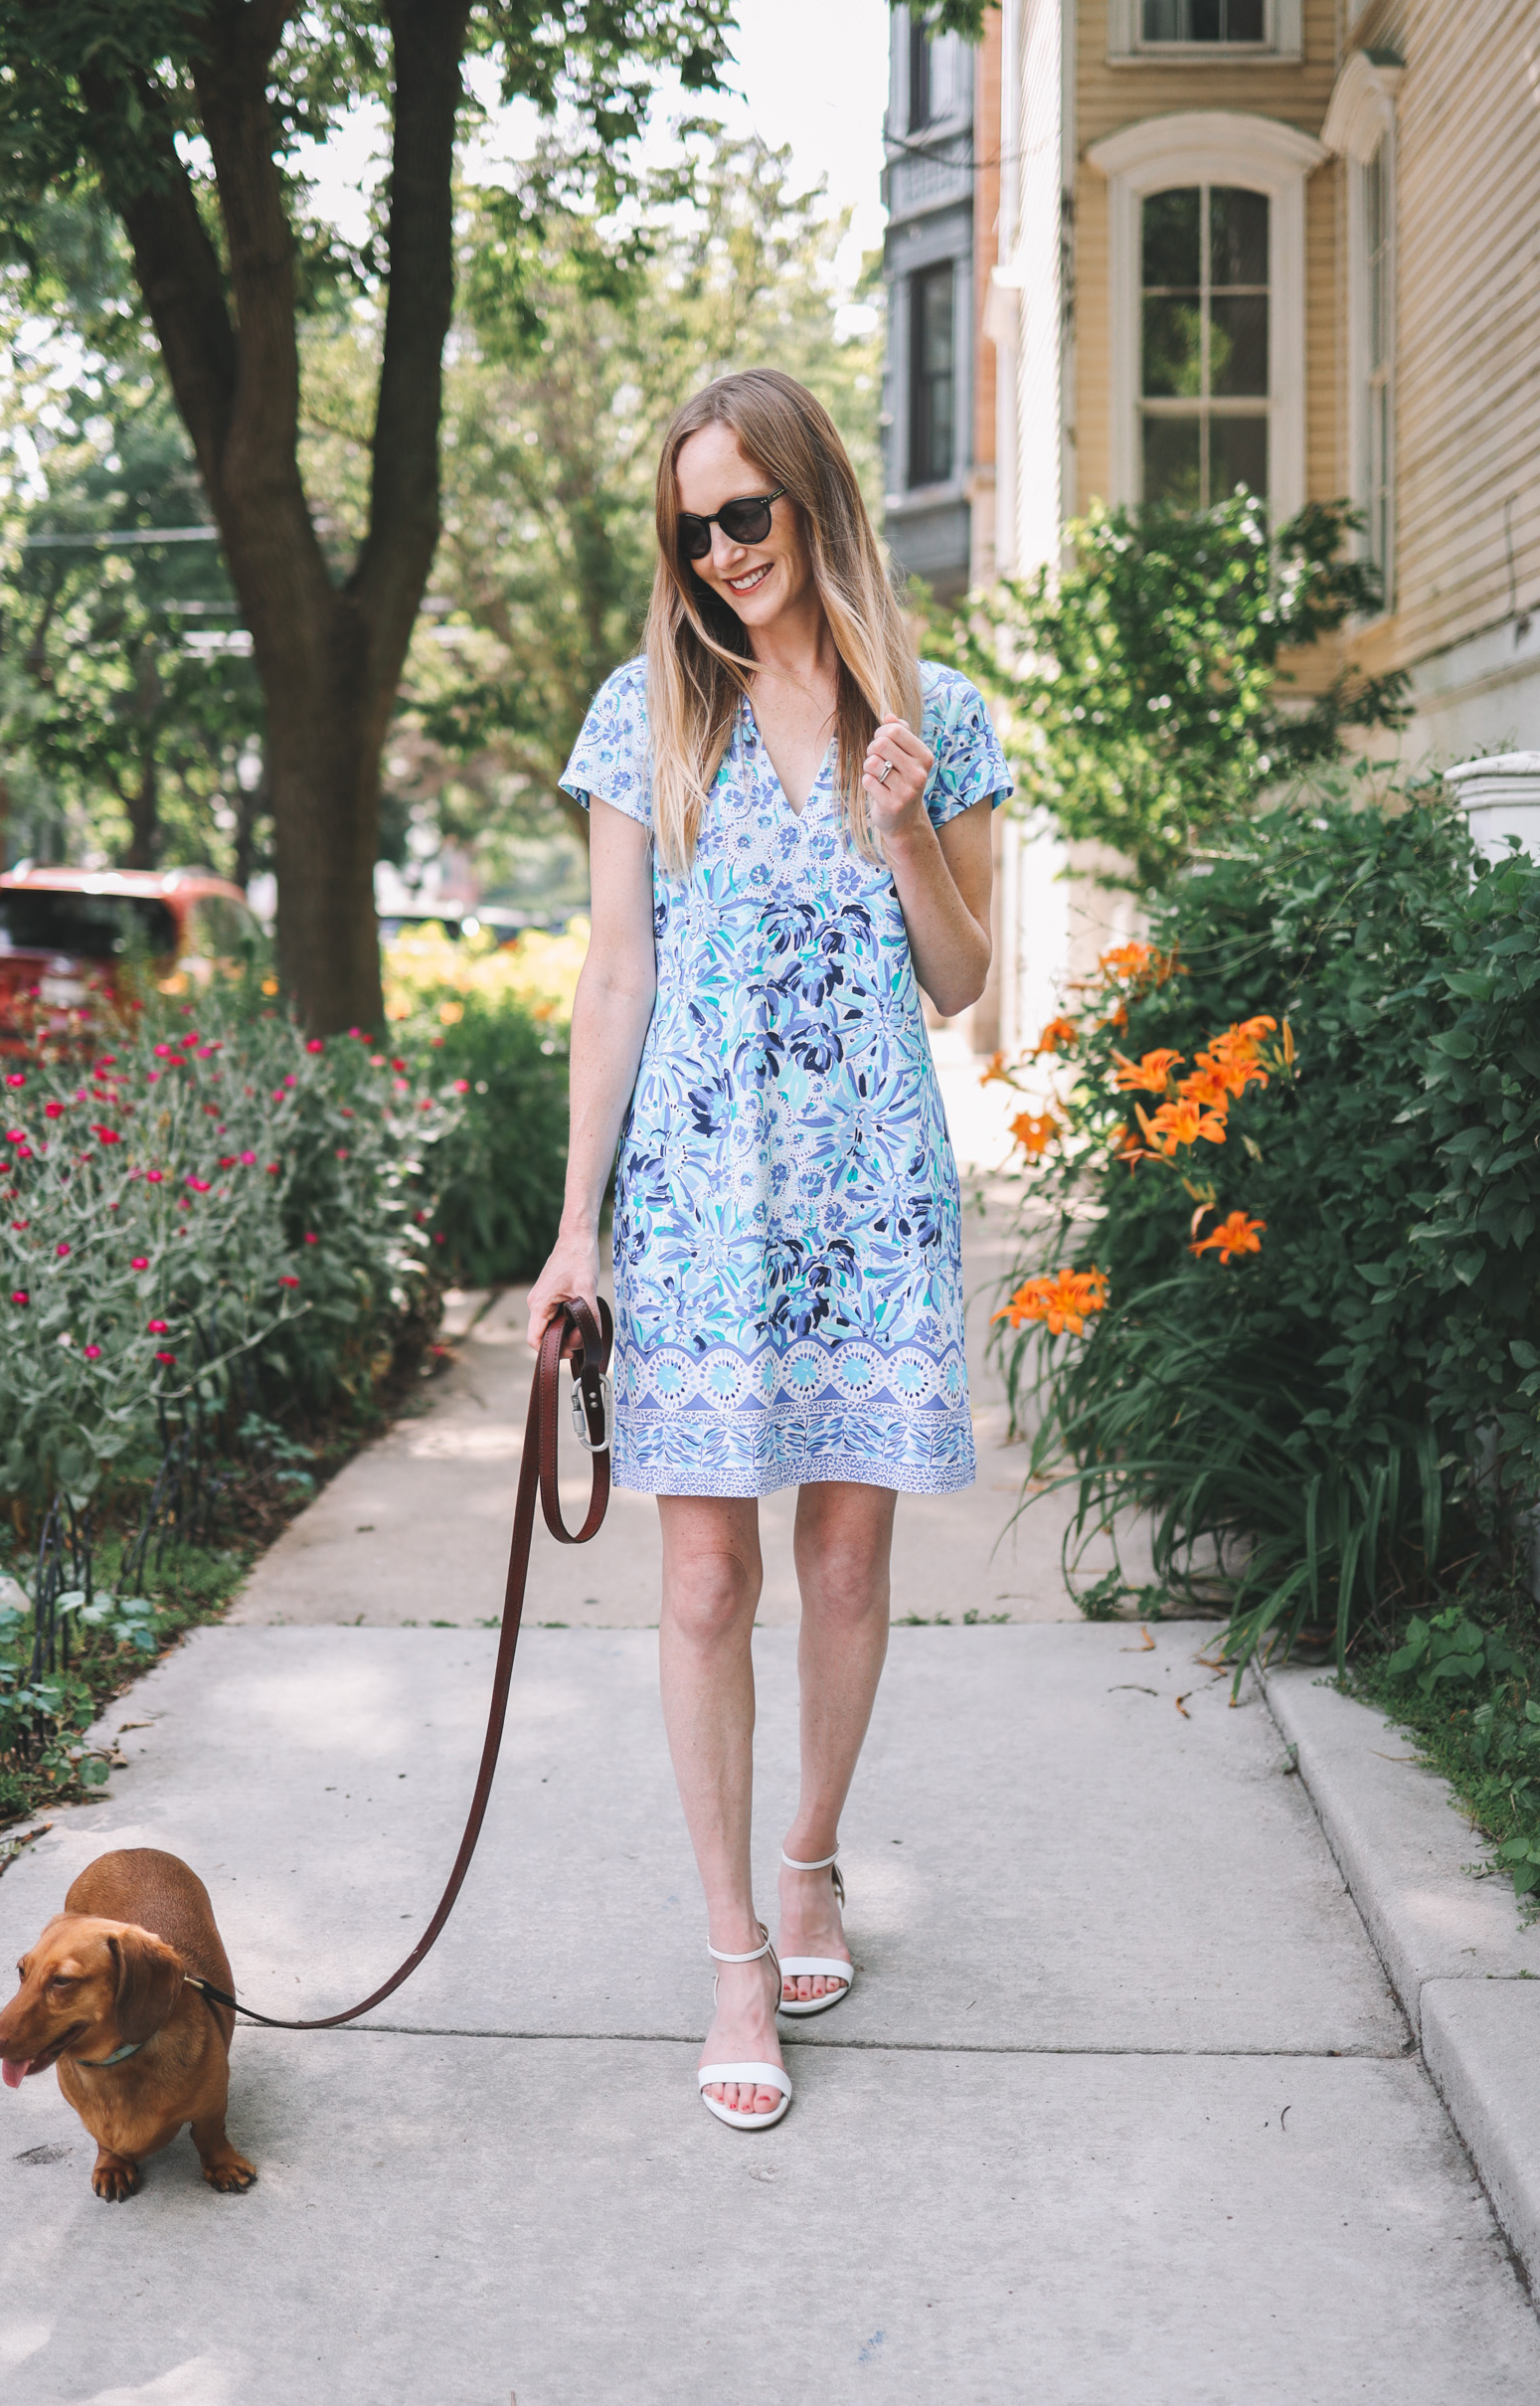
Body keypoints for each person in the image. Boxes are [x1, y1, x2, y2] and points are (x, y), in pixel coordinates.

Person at [527, 367, 1013, 2131]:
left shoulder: (935, 713)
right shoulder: (644, 712)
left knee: (847, 1574)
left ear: (814, 502)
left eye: (748, 513)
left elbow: (962, 987)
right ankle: (736, 1945)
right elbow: (614, 980)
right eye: (692, 525)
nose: (721, 550)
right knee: (704, 1582)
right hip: (702, 1208)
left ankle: (810, 1858)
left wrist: (900, 833)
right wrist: (575, 1231)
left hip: (870, 1199)